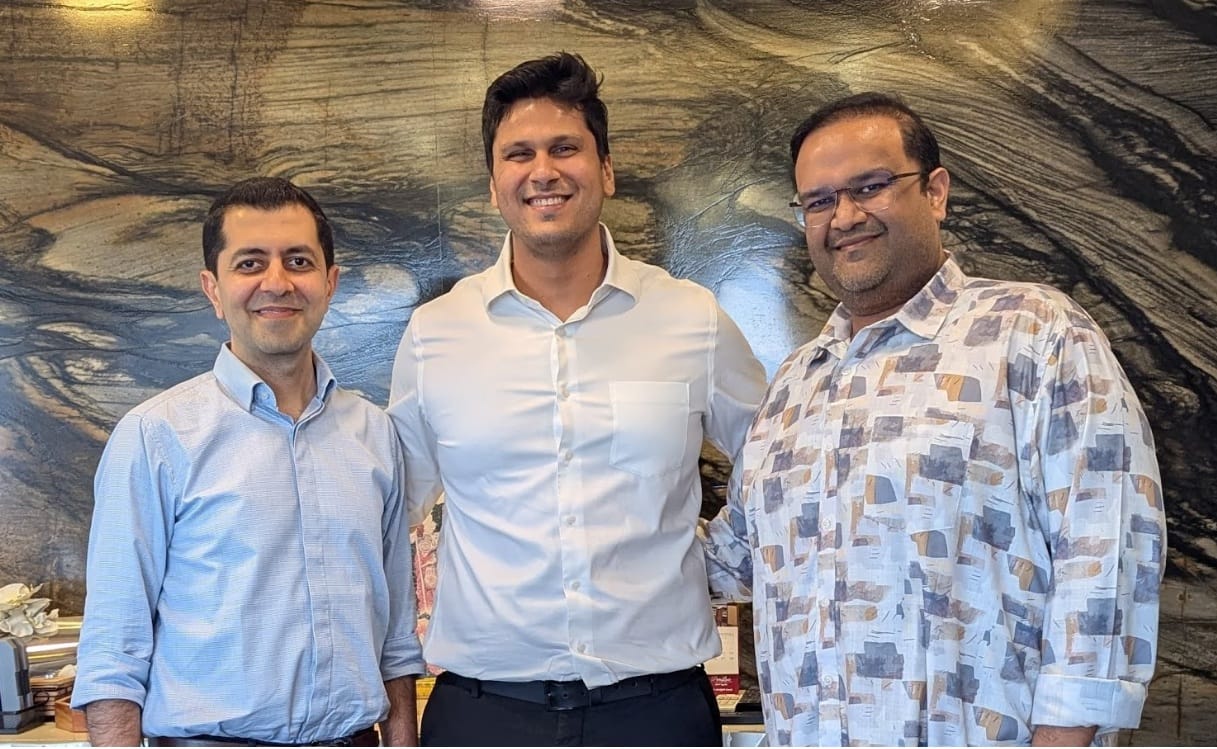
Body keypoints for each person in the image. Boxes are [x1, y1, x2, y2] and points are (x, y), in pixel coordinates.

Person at [704, 92, 1167, 746]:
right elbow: (734, 560)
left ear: (935, 192)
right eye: (819, 200)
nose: (844, 216)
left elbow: (1107, 550)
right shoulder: (795, 384)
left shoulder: (1034, 334)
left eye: (870, 186)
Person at [387, 52, 767, 746]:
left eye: (565, 148)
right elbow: (392, 510)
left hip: (656, 712)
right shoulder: (435, 333)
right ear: (494, 184)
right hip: (483, 714)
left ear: (606, 170)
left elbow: (782, 464)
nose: (543, 171)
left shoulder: (690, 318)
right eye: (519, 153)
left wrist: (716, 562)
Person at [71, 177, 424, 747]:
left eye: (298, 261)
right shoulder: (155, 437)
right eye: (250, 263)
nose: (277, 282)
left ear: (330, 283)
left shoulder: (374, 434)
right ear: (213, 289)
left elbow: (396, 634)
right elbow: (115, 648)